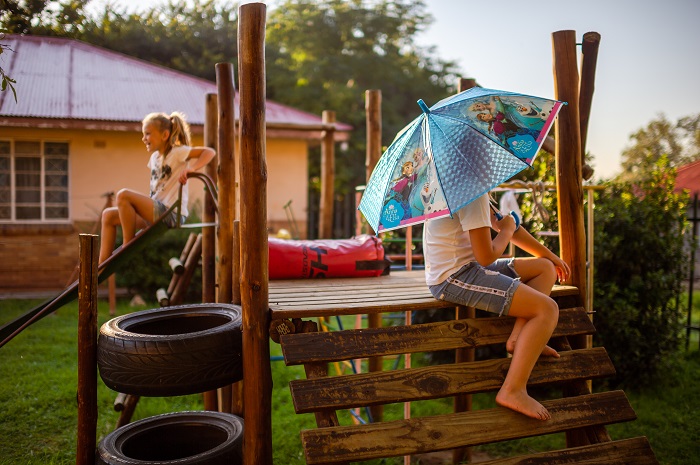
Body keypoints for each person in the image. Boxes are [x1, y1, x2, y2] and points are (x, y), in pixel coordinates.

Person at [423, 193, 570, 420]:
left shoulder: (470, 188)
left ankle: (521, 339)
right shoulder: (471, 195)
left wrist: (552, 257)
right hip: (452, 277)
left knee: (545, 268)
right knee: (547, 309)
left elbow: (504, 225)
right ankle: (512, 390)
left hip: (469, 267)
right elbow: (486, 255)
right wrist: (507, 230)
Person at [98, 111, 216, 264]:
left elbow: (209, 152)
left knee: (123, 195)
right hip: (155, 212)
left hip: (171, 212)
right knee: (108, 215)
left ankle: (128, 244)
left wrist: (192, 169)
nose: (143, 138)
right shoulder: (154, 158)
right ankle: (101, 265)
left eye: (147, 134)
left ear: (165, 135)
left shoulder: (177, 152)